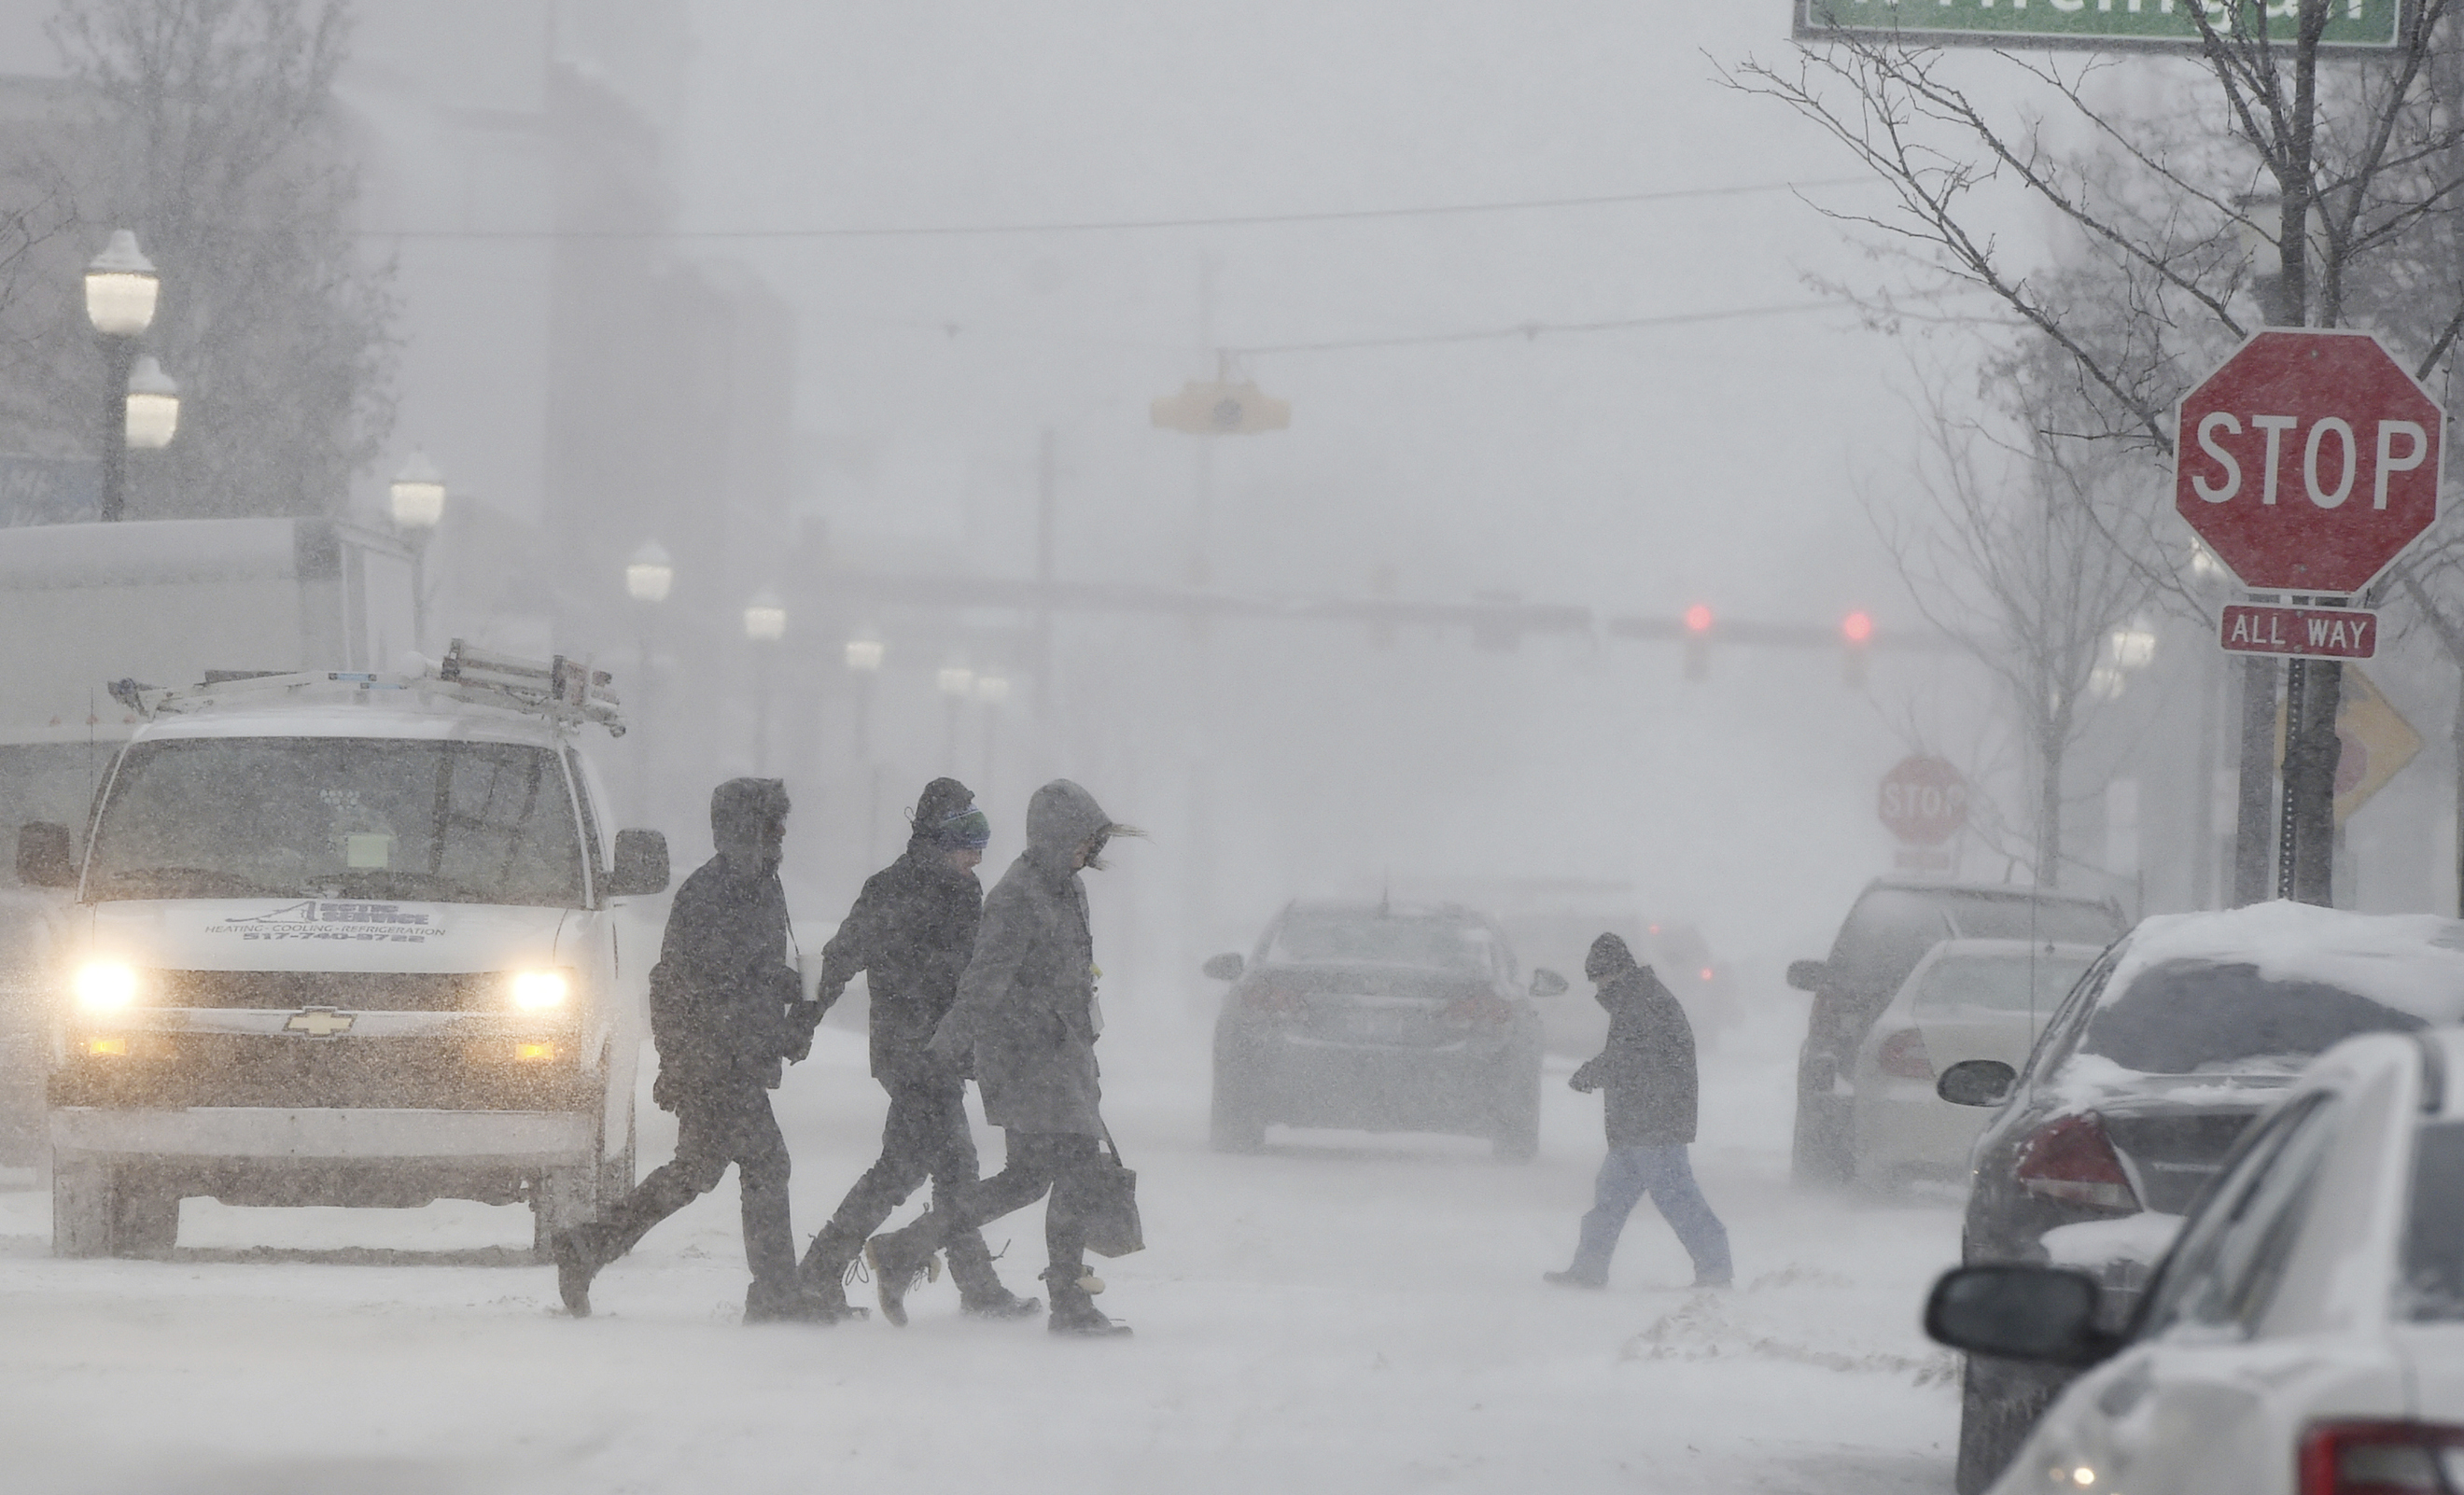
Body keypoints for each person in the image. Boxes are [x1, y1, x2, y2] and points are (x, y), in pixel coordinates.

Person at [861, 779, 1138, 1338]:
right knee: (1076, 1171)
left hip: (1063, 1056)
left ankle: (903, 1247)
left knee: (1029, 1179)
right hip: (1028, 1059)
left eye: (1093, 841)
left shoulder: (1066, 890)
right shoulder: (1018, 896)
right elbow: (983, 983)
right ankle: (1069, 1301)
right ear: (1056, 836)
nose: (1090, 851)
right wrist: (945, 1048)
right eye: (1083, 840)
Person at [551, 778, 828, 1322]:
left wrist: (794, 998)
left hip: (735, 1059)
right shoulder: (711, 894)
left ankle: (588, 1246)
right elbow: (678, 984)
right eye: (772, 826)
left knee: (697, 1172)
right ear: (743, 831)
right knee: (762, 1165)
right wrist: (682, 1064)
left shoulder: (762, 888)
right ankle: (774, 1294)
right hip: (716, 1062)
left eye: (781, 827)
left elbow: (753, 976)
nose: (781, 838)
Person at [789, 777, 1038, 1321]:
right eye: (969, 841)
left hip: (942, 1051)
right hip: (908, 1053)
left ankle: (829, 1273)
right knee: (920, 1168)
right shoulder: (891, 889)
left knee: (931, 1167)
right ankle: (828, 1271)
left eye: (983, 843)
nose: (977, 857)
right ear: (938, 839)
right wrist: (805, 1020)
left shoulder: (964, 892)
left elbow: (979, 973)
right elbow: (841, 957)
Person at [1546, 932, 1732, 1291]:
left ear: (1614, 971)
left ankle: (1716, 1269)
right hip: (1638, 1123)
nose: (1598, 987)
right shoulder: (1637, 998)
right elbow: (1632, 1058)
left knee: (1677, 1197)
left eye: (1599, 978)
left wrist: (1592, 1074)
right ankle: (1589, 1269)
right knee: (1609, 1199)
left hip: (1655, 1122)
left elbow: (1632, 1059)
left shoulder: (1642, 1003)